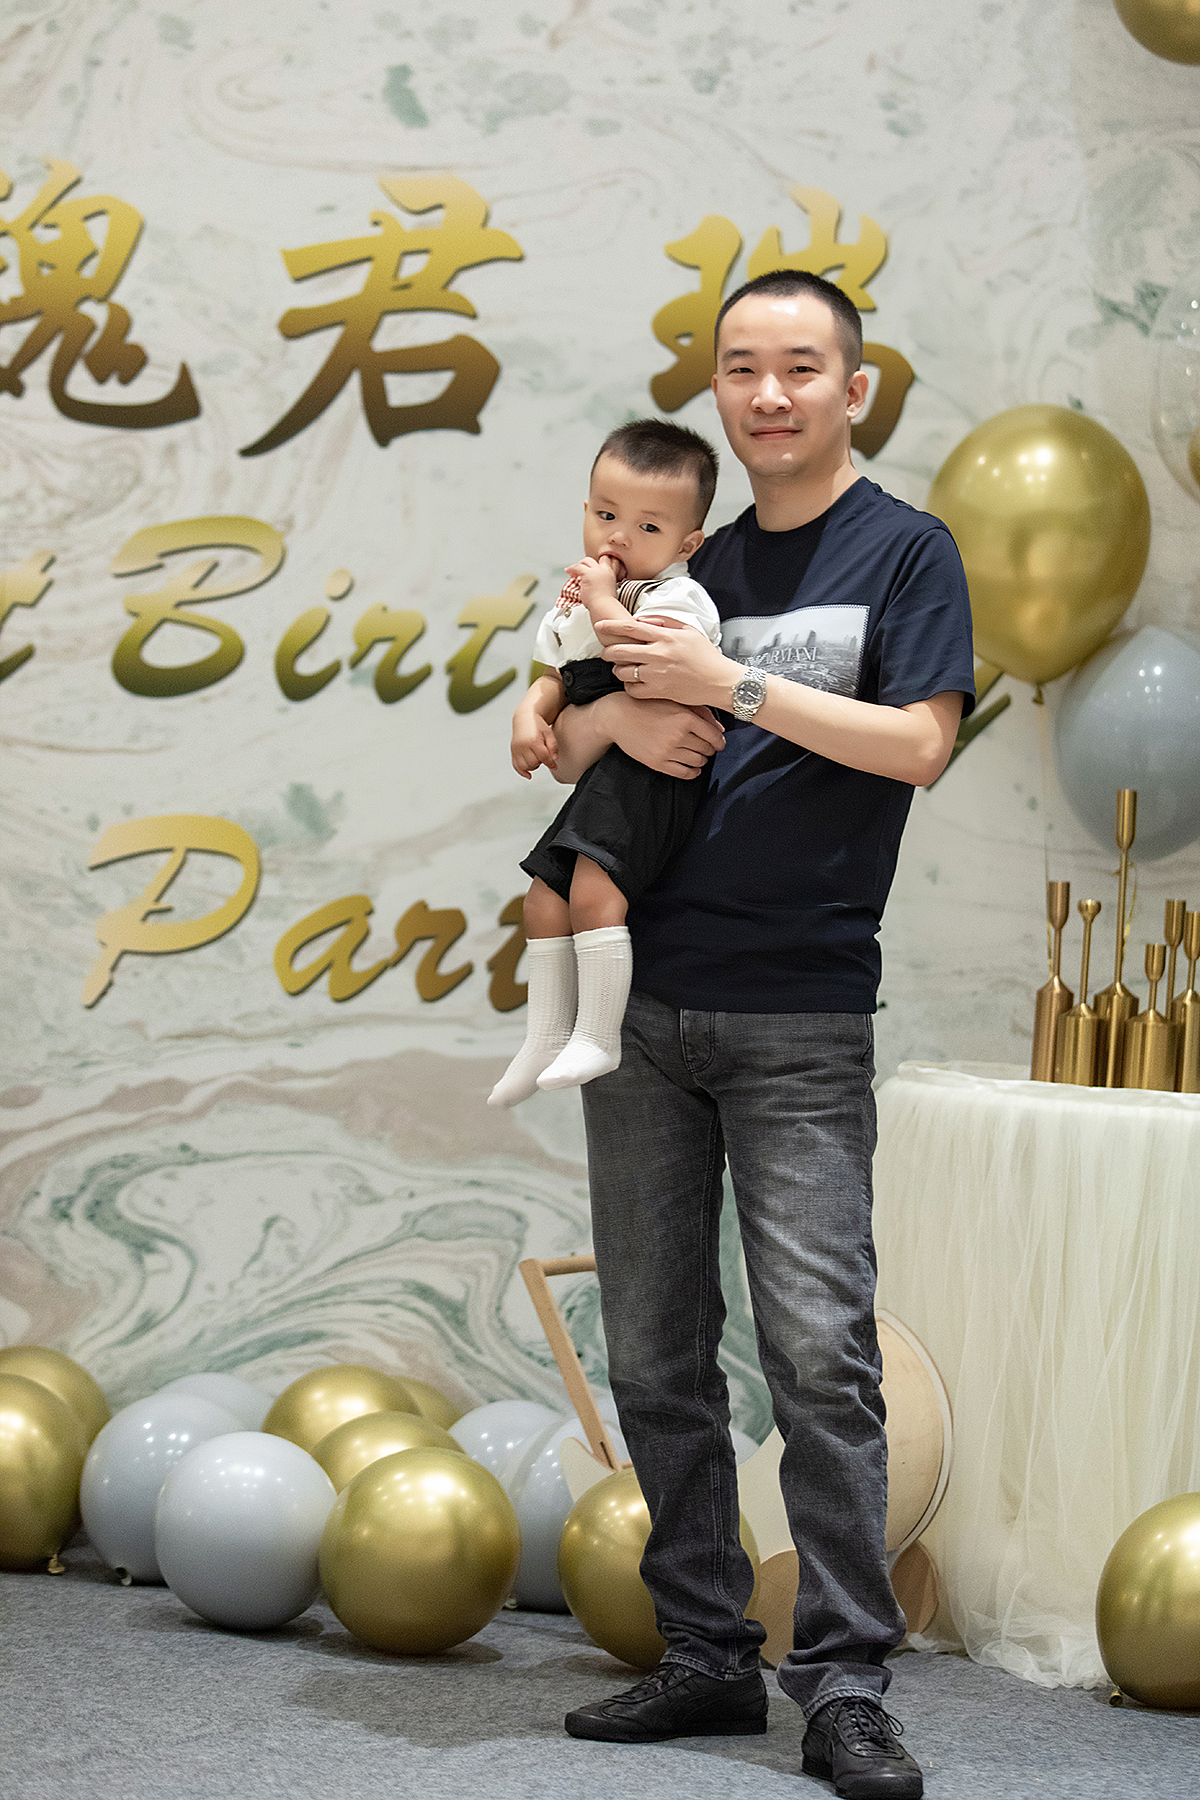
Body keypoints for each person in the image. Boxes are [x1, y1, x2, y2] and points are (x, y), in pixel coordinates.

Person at [551, 269, 975, 1800]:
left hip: (801, 1011)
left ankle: (846, 1685)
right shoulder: (687, 555)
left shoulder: (905, 552)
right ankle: (706, 1655)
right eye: (742, 368)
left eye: (801, 366)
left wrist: (730, 684)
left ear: (854, 389)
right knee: (657, 1350)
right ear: (717, 392)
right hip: (643, 1001)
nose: (770, 394)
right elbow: (566, 726)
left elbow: (919, 745)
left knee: (820, 1357)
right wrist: (611, 712)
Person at [488, 420, 722, 1108]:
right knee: (543, 898)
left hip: (656, 776)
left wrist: (599, 599)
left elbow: (636, 659)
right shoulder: (577, 602)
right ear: (585, 510)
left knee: (595, 894)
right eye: (606, 516)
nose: (618, 538)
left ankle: (598, 1035)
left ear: (686, 545)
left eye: (648, 528)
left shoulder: (677, 598)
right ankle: (543, 1036)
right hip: (605, 771)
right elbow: (558, 676)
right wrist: (528, 714)